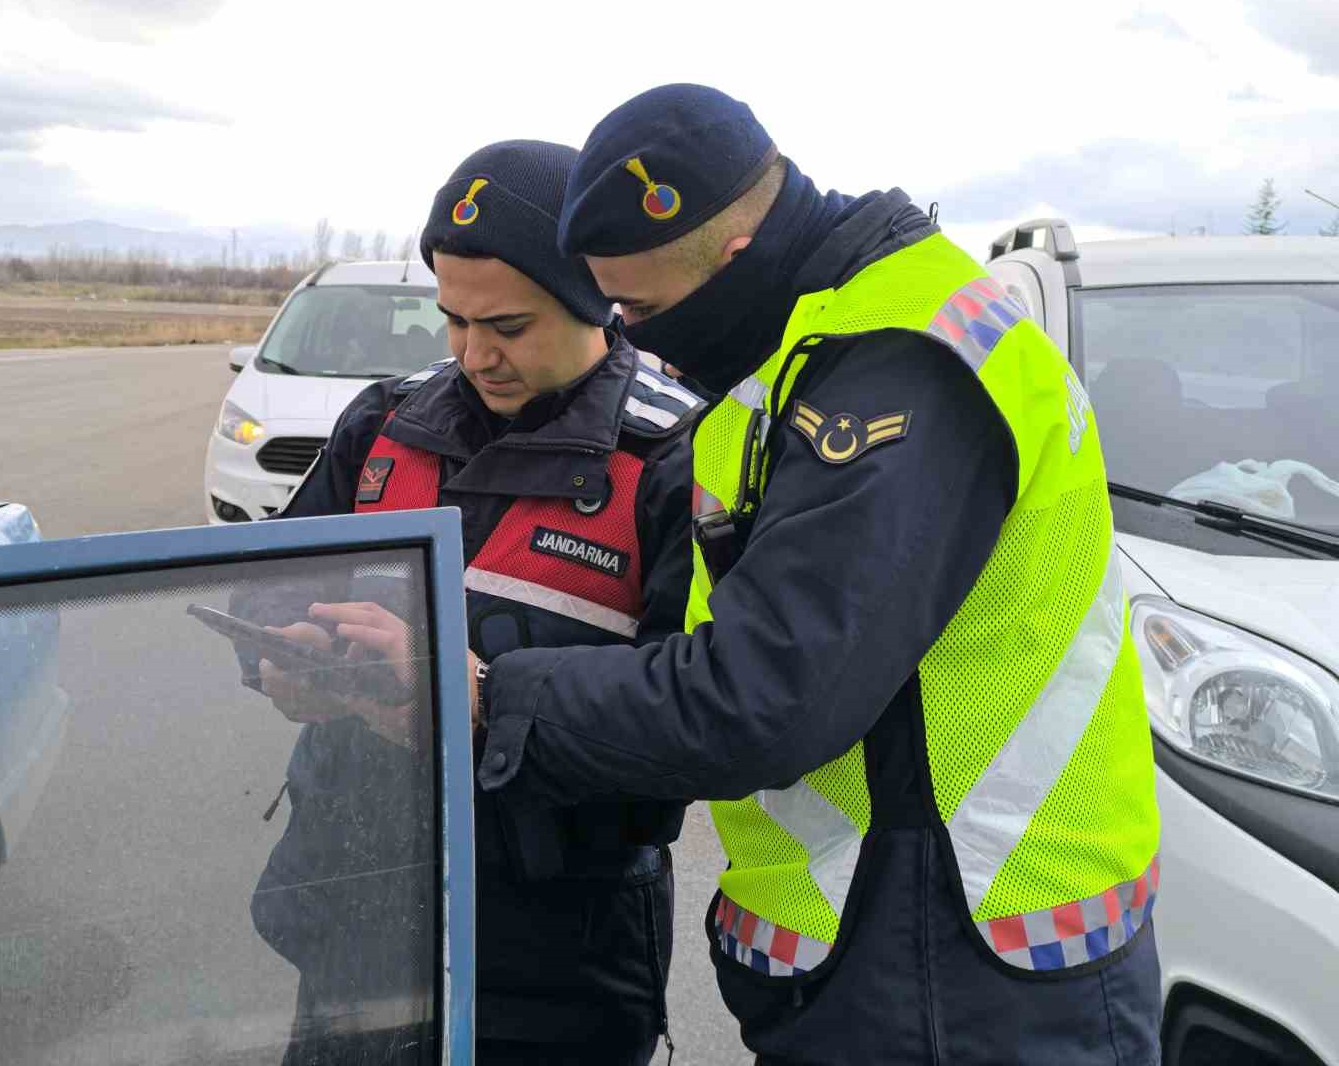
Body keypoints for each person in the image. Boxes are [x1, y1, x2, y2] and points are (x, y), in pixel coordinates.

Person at [469, 86, 1164, 1065]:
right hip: (897, 945)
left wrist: (497, 699)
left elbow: (765, 697)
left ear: (735, 255)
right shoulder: (810, 351)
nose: (630, 335)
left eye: (646, 309)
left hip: (954, 970)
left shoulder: (899, 369)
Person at [239, 139, 703, 1065]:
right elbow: (266, 585)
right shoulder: (382, 427)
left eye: (509, 325)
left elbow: (692, 727)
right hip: (357, 912)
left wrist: (476, 696)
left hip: (552, 958)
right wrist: (277, 660)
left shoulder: (673, 463)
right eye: (451, 319)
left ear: (592, 297)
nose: (473, 353)